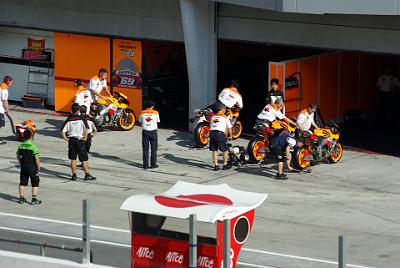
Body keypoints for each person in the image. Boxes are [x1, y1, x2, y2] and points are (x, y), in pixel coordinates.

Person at [61, 103, 96, 181]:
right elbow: (87, 129)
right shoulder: (82, 118)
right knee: (84, 159)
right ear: (78, 110)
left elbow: (62, 131)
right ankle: (87, 175)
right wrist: (85, 138)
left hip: (71, 140)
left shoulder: (69, 119)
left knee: (73, 159)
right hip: (80, 140)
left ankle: (74, 175)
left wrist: (66, 138)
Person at [16, 129, 42, 205]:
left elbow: (17, 155)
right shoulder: (33, 146)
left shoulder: (21, 145)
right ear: (31, 137)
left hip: (24, 167)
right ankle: (34, 199)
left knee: (22, 183)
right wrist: (38, 167)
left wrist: (21, 162)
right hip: (32, 167)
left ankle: (21, 198)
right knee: (35, 183)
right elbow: (37, 158)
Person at [209, 103, 232, 171]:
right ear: (221, 109)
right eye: (224, 108)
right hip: (220, 134)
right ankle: (225, 164)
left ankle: (216, 165)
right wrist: (230, 136)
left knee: (214, 150)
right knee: (225, 150)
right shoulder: (225, 117)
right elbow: (229, 127)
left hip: (212, 133)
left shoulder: (212, 117)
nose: (225, 110)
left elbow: (211, 126)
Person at [139, 101, 160, 169]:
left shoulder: (142, 112)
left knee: (145, 149)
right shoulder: (156, 113)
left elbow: (140, 121)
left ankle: (145, 165)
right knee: (154, 149)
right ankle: (153, 164)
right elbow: (158, 121)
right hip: (153, 132)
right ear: (152, 107)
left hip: (145, 131)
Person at [0, 75, 13, 145]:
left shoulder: (1, 85)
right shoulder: (4, 88)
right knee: (0, 125)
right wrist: (6, 109)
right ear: (8, 81)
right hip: (0, 109)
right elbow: (5, 100)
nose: (11, 84)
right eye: (11, 82)